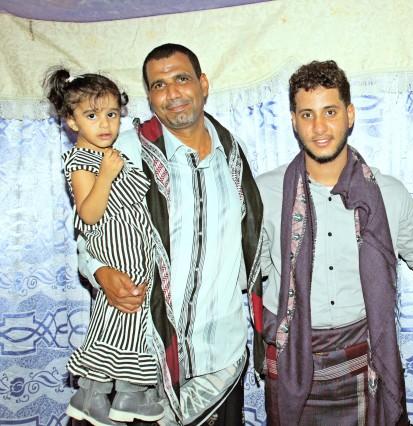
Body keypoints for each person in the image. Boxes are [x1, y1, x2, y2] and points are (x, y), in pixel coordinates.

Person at [77, 44, 264, 425]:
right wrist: (100, 272)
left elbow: (252, 243)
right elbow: (89, 232)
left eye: (182, 79)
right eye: (159, 85)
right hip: (146, 360)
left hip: (220, 357)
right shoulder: (124, 153)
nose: (172, 93)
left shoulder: (233, 154)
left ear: (203, 84)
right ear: (149, 97)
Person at [257, 60, 413, 425]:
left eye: (330, 112)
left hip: (364, 360)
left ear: (350, 115)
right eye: (307, 114)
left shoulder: (388, 194)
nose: (319, 127)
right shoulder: (263, 193)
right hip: (290, 362)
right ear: (293, 121)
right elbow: (242, 271)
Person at [45, 68, 164, 424]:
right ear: (71, 121)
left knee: (128, 324)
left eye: (111, 114)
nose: (105, 124)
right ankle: (99, 394)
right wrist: (107, 176)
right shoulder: (82, 161)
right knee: (119, 321)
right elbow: (90, 214)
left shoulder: (113, 154)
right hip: (114, 250)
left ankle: (122, 394)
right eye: (92, 115)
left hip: (134, 250)